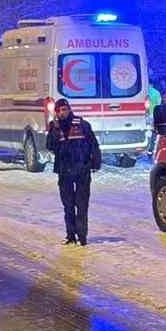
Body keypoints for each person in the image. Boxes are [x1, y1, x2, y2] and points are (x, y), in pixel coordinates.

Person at [45, 96, 101, 245]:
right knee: (68, 205)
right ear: (56, 113)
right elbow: (50, 146)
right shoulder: (54, 127)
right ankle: (70, 235)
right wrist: (55, 130)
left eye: (64, 109)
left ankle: (82, 237)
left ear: (69, 110)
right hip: (64, 172)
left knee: (82, 205)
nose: (62, 113)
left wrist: (95, 163)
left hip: (82, 170)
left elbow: (93, 144)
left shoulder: (82, 124)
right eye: (59, 111)